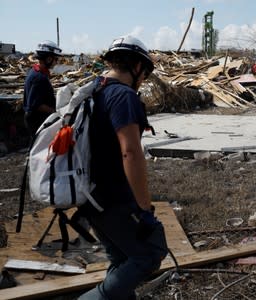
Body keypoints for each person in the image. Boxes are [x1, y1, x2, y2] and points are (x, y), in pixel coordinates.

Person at [78, 35, 168, 300]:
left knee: (122, 259)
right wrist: (144, 209)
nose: (144, 79)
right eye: (146, 73)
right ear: (137, 66)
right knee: (149, 255)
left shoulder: (96, 89)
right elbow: (130, 152)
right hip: (115, 199)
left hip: (92, 197)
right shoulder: (123, 96)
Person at [23, 40, 62, 136]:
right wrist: (57, 113)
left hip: (34, 119)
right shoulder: (39, 78)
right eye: (56, 59)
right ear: (48, 59)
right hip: (37, 121)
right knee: (38, 149)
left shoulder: (35, 72)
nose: (56, 62)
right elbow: (36, 105)